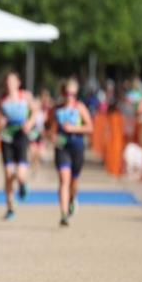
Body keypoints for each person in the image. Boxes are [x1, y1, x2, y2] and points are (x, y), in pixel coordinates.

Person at [49, 78, 93, 227]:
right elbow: (51, 130)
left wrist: (74, 129)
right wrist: (53, 137)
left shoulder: (79, 108)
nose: (70, 97)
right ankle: (63, 214)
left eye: (73, 94)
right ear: (63, 93)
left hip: (77, 146)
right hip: (62, 148)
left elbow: (90, 127)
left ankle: (73, 199)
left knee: (74, 182)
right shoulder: (57, 109)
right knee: (63, 180)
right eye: (67, 93)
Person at [0, 72, 37, 220]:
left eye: (12, 81)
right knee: (7, 174)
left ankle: (23, 185)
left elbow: (35, 111)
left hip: (21, 136)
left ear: (18, 82)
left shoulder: (25, 96)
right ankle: (10, 208)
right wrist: (0, 120)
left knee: (20, 174)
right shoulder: (1, 99)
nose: (9, 84)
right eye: (7, 81)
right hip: (7, 137)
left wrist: (30, 123)